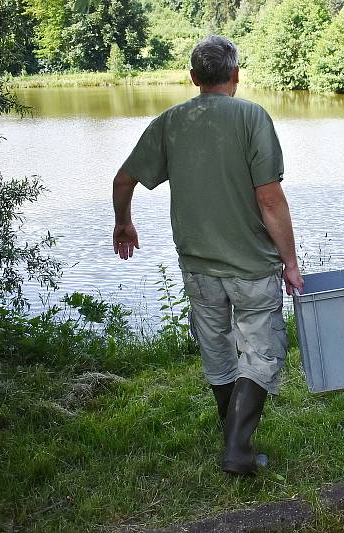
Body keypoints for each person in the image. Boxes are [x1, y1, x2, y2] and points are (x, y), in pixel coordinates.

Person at [112, 35, 303, 475]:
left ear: (194, 78)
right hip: (252, 265)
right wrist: (290, 262)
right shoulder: (252, 116)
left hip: (198, 265)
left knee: (217, 349)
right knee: (262, 350)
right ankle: (237, 447)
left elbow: (124, 179)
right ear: (236, 75)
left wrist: (123, 221)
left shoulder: (172, 121)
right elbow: (270, 199)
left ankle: (231, 431)